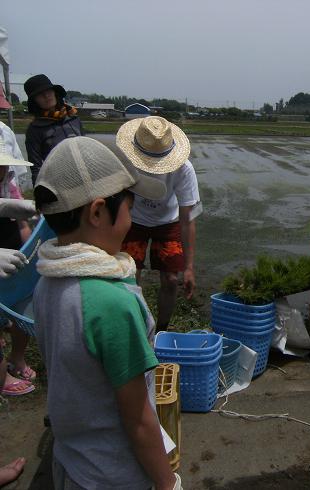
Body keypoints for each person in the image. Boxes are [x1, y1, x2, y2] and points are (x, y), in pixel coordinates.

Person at [32, 136, 182, 490]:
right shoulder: (111, 303)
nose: (132, 219)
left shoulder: (47, 280)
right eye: (129, 206)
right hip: (115, 473)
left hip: (72, 461)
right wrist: (167, 483)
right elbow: (139, 421)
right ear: (97, 211)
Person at [118, 116, 201, 332]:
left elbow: (187, 219)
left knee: (172, 279)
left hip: (168, 220)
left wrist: (189, 267)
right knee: (128, 275)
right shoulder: (126, 161)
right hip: (134, 217)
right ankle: (137, 327)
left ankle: (162, 329)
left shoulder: (184, 169)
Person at [0, 143, 37, 396]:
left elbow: (17, 215)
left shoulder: (8, 183)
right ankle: (2, 377)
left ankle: (17, 358)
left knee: (18, 314)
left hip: (10, 254)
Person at [24, 74, 83, 185]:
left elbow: (87, 150)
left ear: (55, 92)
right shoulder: (35, 129)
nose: (46, 96)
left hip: (83, 177)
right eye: (40, 94)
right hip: (58, 183)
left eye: (49, 91)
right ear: (34, 101)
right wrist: (40, 193)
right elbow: (36, 167)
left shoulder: (74, 118)